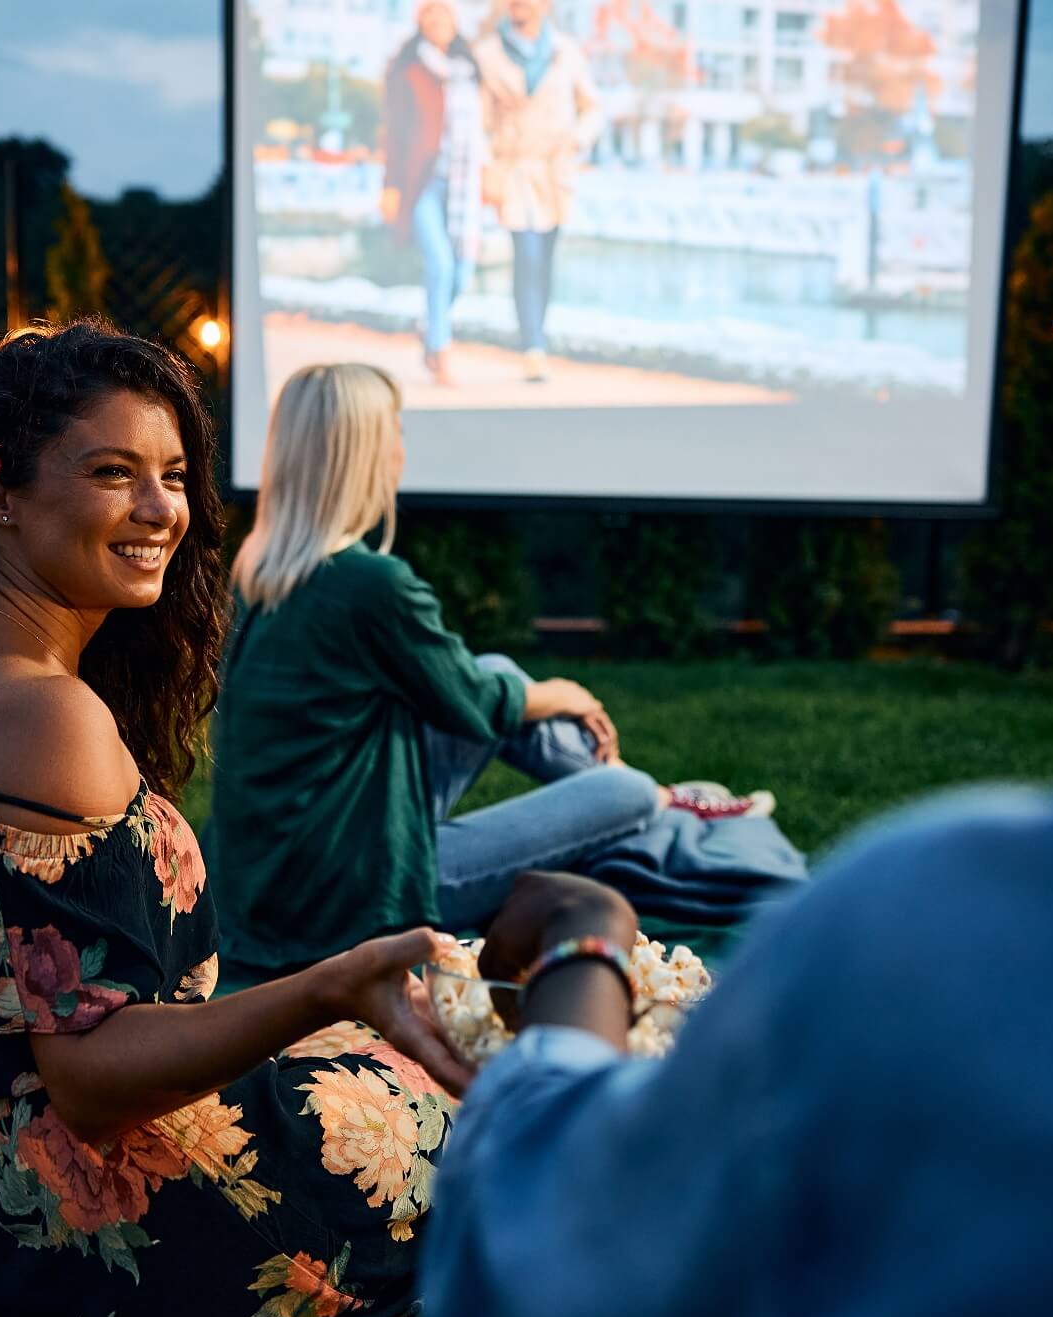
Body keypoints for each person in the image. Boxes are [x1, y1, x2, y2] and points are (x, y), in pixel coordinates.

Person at [422, 691, 1053, 1317]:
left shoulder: (944, 929)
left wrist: (585, 941)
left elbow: (555, 1236)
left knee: (638, 795)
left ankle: (682, 811)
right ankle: (690, 812)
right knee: (644, 799)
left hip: (615, 933)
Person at [0, 321, 474, 1317]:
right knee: (527, 1101)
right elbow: (88, 1076)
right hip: (146, 1224)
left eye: (173, 473)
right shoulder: (45, 716)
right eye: (113, 471)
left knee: (444, 1050)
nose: (158, 507)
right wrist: (336, 981)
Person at [206, 364, 754, 976]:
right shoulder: (370, 586)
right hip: (353, 902)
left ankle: (653, 801)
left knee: (497, 671)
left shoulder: (260, 575)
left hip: (271, 885)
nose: (400, 449)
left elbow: (465, 687)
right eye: (395, 431)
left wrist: (529, 694)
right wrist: (561, 693)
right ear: (363, 455)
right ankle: (658, 803)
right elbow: (477, 704)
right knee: (619, 789)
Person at [473, 0, 602, 383]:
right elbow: (478, 121)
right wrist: (485, 163)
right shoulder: (487, 55)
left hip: (556, 170)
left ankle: (538, 335)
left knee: (544, 257)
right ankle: (532, 345)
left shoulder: (566, 52)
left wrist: (578, 140)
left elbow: (593, 108)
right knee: (526, 253)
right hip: (513, 167)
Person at [382, 0, 486, 387]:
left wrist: (489, 172)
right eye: (429, 13)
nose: (437, 20)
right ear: (420, 21)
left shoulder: (470, 70)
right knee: (440, 264)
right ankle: (440, 353)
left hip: (463, 184)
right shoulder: (408, 70)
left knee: (463, 271)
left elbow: (481, 131)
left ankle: (429, 327)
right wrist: (391, 186)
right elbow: (394, 132)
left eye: (443, 13)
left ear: (455, 21)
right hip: (421, 183)